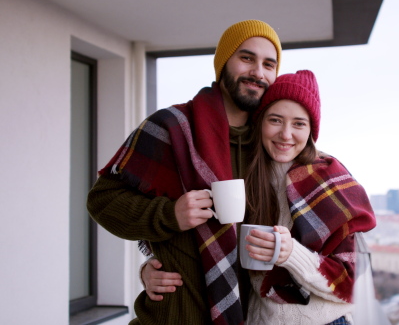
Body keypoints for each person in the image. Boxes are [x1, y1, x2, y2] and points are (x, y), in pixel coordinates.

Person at [87, 19, 282, 325]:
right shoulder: (171, 127)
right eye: (247, 58)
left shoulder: (274, 146)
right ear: (223, 64)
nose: (258, 72)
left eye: (269, 64)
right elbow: (103, 200)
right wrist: (169, 215)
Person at [144, 70, 377, 324]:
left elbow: (351, 284)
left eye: (299, 123)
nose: (286, 134)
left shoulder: (328, 179)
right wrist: (151, 270)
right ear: (260, 122)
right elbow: (210, 243)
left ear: (311, 130)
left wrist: (290, 253)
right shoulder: (242, 172)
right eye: (275, 120)